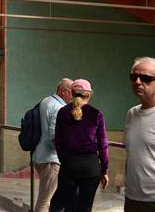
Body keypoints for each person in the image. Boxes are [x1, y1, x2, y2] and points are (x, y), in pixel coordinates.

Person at [50, 79, 109, 212]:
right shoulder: (96, 113)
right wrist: (104, 170)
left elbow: (58, 142)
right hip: (91, 168)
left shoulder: (63, 112)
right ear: (88, 95)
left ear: (72, 93)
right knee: (85, 207)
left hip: (69, 166)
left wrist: (64, 161)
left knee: (63, 204)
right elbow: (103, 144)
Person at [123, 57, 155, 212]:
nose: (137, 81)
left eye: (145, 78)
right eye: (133, 77)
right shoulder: (131, 113)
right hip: (131, 198)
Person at [32, 78, 73, 212]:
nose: (74, 96)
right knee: (45, 201)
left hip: (40, 155)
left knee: (48, 198)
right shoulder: (59, 108)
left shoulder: (46, 101)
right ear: (63, 91)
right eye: (71, 91)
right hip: (51, 159)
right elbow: (54, 136)